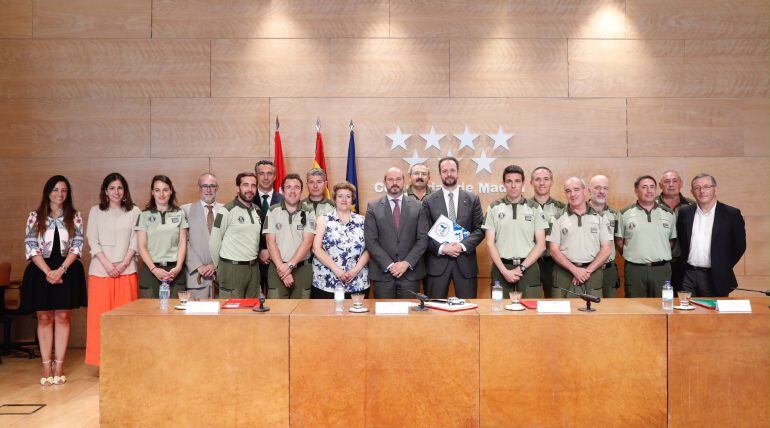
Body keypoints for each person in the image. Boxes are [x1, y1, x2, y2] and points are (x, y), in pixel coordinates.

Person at [21, 175, 87, 386]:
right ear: (48, 192)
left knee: (63, 316)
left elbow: (77, 246)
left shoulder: (75, 216)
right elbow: (30, 246)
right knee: (44, 318)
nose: (60, 194)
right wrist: (49, 271)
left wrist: (61, 270)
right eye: (56, 190)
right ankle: (46, 364)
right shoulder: (35, 216)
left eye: (64, 190)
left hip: (67, 269)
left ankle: (59, 365)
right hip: (41, 270)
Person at [85, 173, 141, 367]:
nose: (116, 192)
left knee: (127, 321)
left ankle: (126, 364)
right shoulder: (95, 211)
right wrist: (108, 265)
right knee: (100, 321)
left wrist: (124, 263)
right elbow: (92, 239)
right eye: (112, 188)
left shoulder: (134, 211)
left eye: (119, 188)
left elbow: (136, 240)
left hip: (127, 271)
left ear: (124, 191)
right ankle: (104, 365)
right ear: (105, 191)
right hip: (101, 272)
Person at [419, 157, 484, 299]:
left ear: (458, 172)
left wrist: (461, 246)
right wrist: (443, 248)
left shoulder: (472, 199)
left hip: (465, 265)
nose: (449, 174)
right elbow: (424, 233)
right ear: (440, 174)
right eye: (445, 171)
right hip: (437, 265)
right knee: (435, 310)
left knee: (468, 312)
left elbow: (479, 230)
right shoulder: (429, 201)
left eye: (452, 170)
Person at [676, 173, 746, 297]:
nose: (702, 191)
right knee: (684, 313)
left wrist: (721, 265)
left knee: (713, 314)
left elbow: (740, 246)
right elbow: (681, 242)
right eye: (697, 188)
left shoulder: (731, 214)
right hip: (687, 276)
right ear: (692, 192)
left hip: (714, 276)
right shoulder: (684, 213)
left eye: (706, 186)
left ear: (715, 189)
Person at [483, 165, 547, 298]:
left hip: (528, 268)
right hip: (501, 268)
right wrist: (504, 271)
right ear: (504, 183)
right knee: (500, 313)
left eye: (517, 181)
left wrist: (521, 268)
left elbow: (541, 245)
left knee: (531, 313)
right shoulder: (494, 208)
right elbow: (489, 243)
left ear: (523, 183)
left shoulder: (535, 208)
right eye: (509, 181)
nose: (513, 185)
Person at [364, 167, 429, 298]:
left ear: (404, 181)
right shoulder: (373, 207)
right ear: (385, 182)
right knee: (384, 317)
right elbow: (371, 241)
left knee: (409, 316)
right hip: (383, 274)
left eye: (398, 179)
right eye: (390, 179)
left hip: (410, 274)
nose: (395, 183)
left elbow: (423, 239)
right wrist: (390, 265)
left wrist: (406, 263)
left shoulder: (418, 206)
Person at [548, 177, 613, 299]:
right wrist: (575, 270)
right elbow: (553, 250)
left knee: (593, 314)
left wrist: (587, 271)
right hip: (564, 273)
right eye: (568, 191)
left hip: (592, 273)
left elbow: (607, 249)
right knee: (562, 315)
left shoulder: (600, 217)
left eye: (576, 189)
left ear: (585, 191)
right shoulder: (557, 218)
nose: (572, 194)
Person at [616, 175, 677, 298]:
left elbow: (671, 241)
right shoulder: (624, 213)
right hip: (635, 270)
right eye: (644, 187)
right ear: (636, 191)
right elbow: (618, 242)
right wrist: (634, 254)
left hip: (661, 270)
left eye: (652, 187)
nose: (649, 191)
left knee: (661, 308)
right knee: (635, 308)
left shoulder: (669, 213)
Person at [311, 182, 370, 298]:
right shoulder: (323, 220)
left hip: (357, 281)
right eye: (340, 196)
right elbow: (316, 249)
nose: (344, 199)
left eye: (348, 196)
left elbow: (369, 249)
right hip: (327, 281)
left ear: (352, 199)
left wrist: (355, 270)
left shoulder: (363, 221)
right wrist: (337, 270)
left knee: (356, 315)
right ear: (334, 198)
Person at [209, 172, 262, 299]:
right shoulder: (227, 210)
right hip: (232, 268)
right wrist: (220, 268)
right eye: (245, 185)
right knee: (231, 312)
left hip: (253, 268)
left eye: (253, 186)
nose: (250, 189)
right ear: (238, 188)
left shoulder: (257, 210)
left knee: (253, 309)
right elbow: (214, 242)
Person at [135, 175, 188, 299]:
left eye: (165, 189)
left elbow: (182, 244)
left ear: (170, 191)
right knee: (150, 315)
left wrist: (178, 267)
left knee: (175, 315)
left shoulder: (179, 213)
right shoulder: (144, 215)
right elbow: (141, 246)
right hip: (151, 270)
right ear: (152, 192)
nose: (161, 194)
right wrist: (154, 269)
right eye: (157, 190)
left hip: (175, 272)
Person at [263, 174, 316, 299]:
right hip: (277, 268)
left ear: (301, 191)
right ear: (282, 190)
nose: (292, 191)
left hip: (302, 269)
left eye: (297, 187)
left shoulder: (309, 210)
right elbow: (270, 243)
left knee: (301, 313)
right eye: (288, 187)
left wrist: (290, 265)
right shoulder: (272, 211)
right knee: (276, 312)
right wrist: (283, 269)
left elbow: (307, 242)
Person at [181, 173, 223, 299]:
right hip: (196, 276)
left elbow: (230, 241)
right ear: (199, 188)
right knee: (197, 317)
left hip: (221, 276)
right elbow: (183, 242)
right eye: (205, 186)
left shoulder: (226, 210)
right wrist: (198, 265)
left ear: (217, 188)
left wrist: (215, 264)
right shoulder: (185, 210)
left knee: (224, 318)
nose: (208, 190)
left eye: (212, 186)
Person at [530, 166, 566, 298]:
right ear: (531, 182)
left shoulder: (562, 208)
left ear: (552, 182)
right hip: (530, 262)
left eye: (546, 179)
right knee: (530, 301)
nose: (542, 183)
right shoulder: (525, 206)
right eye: (538, 179)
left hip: (554, 262)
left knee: (554, 301)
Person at [657, 170, 694, 290]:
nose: (671, 185)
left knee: (683, 298)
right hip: (658, 264)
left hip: (685, 263)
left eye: (675, 181)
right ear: (660, 185)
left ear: (681, 183)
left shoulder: (692, 206)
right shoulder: (651, 204)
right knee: (659, 301)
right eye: (667, 181)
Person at [255, 160, 285, 296]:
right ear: (256, 176)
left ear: (275, 176)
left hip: (278, 259)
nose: (266, 177)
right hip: (253, 260)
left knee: (276, 301)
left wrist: (270, 251)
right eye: (262, 173)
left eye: (269, 174)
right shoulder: (247, 198)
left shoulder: (285, 200)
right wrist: (260, 250)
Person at [588, 175, 620, 298]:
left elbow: (619, 242)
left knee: (610, 308)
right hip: (587, 269)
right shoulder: (579, 212)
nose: (602, 191)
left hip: (608, 269)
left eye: (605, 188)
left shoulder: (614, 215)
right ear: (589, 190)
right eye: (597, 188)